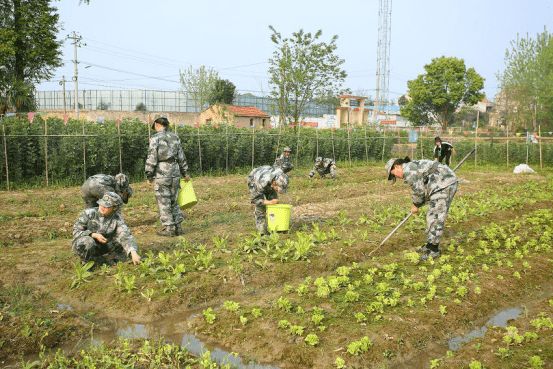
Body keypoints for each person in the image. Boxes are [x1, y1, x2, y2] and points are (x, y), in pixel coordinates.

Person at [385, 156, 458, 260]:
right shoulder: (410, 167)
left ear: (397, 167)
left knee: (436, 217)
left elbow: (418, 190)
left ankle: (434, 250)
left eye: (394, 174)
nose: (397, 177)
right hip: (441, 183)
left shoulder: (409, 171)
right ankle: (430, 245)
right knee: (432, 216)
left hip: (444, 184)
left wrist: (416, 205)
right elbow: (423, 186)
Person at [145, 116, 190, 237]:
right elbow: (181, 156)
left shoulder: (155, 138)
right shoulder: (175, 137)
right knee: (174, 200)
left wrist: (149, 175)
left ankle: (169, 228)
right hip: (175, 171)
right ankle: (178, 227)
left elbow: (152, 157)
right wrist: (185, 172)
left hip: (162, 172)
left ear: (157, 125)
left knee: (163, 200)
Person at [72, 192, 141, 266]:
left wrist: (133, 252)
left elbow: (125, 235)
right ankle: (87, 263)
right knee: (88, 242)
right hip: (88, 244)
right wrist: (93, 235)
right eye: (102, 204)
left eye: (107, 206)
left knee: (122, 247)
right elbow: (76, 232)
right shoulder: (88, 214)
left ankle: (100, 260)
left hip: (105, 245)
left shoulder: (117, 219)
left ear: (115, 208)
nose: (103, 207)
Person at [247, 165, 289, 235]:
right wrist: (268, 202)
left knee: (274, 204)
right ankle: (261, 231)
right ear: (274, 183)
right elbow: (255, 199)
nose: (278, 191)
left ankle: (275, 227)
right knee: (261, 208)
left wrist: (273, 201)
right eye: (277, 188)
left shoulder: (282, 176)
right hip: (254, 178)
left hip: (269, 180)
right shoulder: (260, 183)